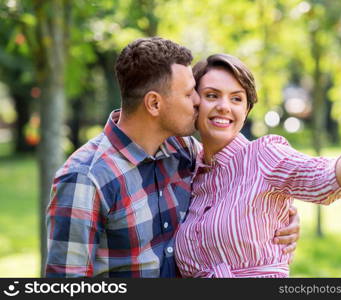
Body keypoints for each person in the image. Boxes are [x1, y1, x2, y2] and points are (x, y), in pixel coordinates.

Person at [44, 37, 299, 278]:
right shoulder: (86, 178)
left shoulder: (183, 150)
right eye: (189, 94)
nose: (199, 101)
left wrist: (283, 215)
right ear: (154, 104)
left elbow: (236, 186)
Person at [174, 53, 341, 278]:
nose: (224, 106)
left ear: (247, 110)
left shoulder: (265, 155)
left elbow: (325, 176)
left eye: (236, 99)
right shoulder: (188, 165)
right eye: (212, 95)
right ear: (194, 103)